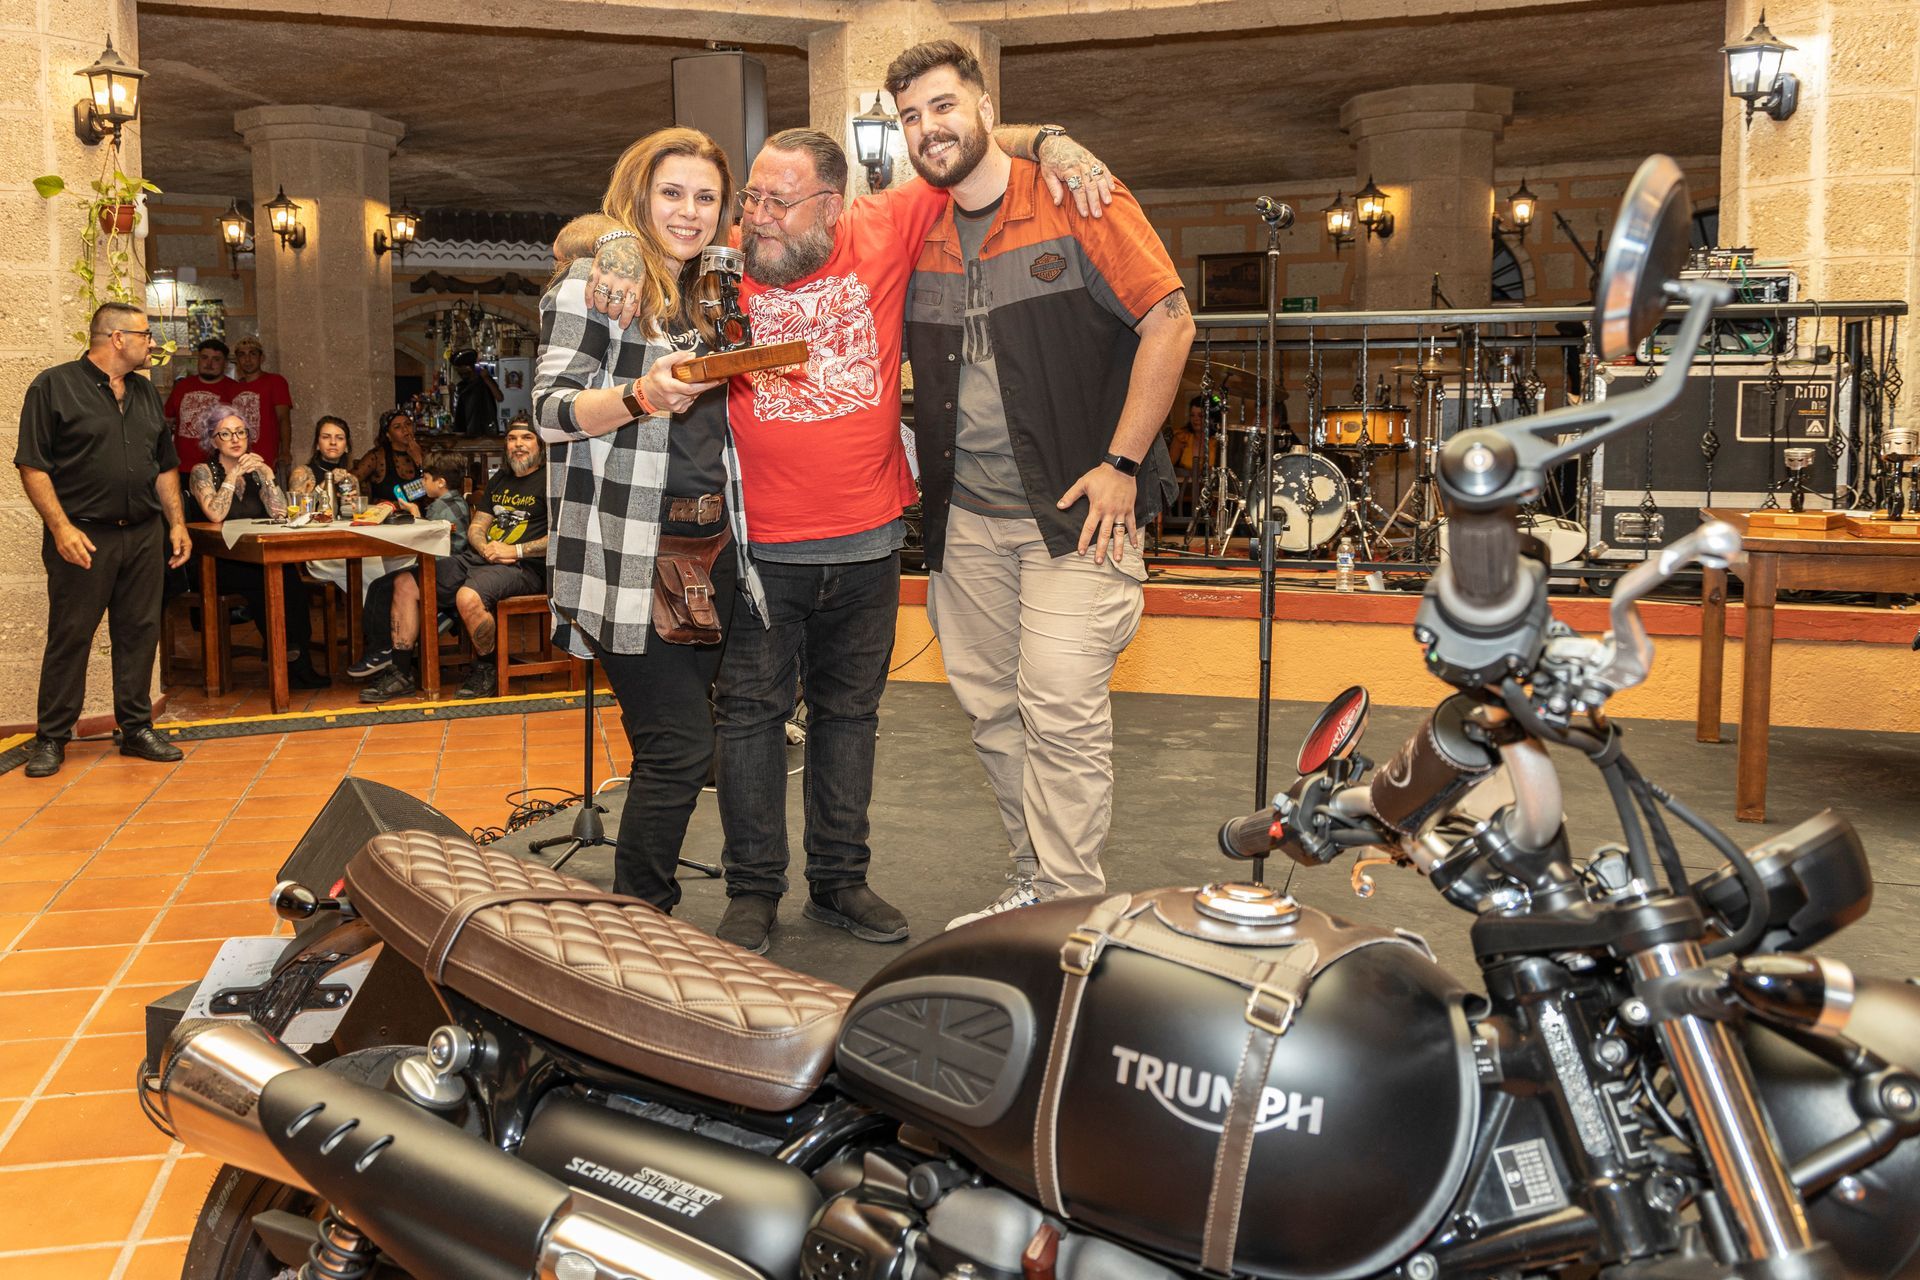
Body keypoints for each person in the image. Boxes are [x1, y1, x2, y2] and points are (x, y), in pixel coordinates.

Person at [585, 118, 1112, 955]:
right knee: (752, 720)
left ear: (833, 205)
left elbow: (962, 140)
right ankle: (755, 890)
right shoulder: (725, 256)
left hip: (868, 543)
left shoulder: (884, 224)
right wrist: (611, 242)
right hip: (758, 551)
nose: (753, 215)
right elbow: (628, 225)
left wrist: (1049, 140)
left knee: (850, 716)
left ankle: (839, 881)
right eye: (750, 195)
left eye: (776, 201)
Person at [889, 39, 1190, 926]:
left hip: (1077, 513)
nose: (927, 129)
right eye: (910, 117)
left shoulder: (1074, 196)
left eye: (943, 106)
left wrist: (1123, 464)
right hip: (967, 521)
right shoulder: (919, 225)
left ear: (983, 105)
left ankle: (1069, 909)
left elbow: (1170, 321)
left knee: (1058, 707)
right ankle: (1033, 881)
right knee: (991, 711)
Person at [532, 127, 771, 913]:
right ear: (638, 195)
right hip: (630, 552)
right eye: (672, 193)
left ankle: (644, 912)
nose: (690, 211)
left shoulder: (716, 289)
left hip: (712, 551)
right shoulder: (594, 286)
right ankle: (640, 918)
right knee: (677, 748)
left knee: (683, 747)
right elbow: (549, 410)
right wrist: (640, 395)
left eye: (706, 197)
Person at [14, 302, 192, 777]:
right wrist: (60, 527)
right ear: (116, 338)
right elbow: (32, 465)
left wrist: (175, 523)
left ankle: (135, 729)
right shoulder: (53, 386)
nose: (152, 342)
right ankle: (52, 737)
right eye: (145, 334)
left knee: (139, 633)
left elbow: (165, 465)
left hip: (142, 535)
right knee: (70, 638)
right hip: (82, 537)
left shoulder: (145, 393)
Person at [367, 423, 548, 702]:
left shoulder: (552, 481)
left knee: (467, 597)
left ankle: (487, 668)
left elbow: (565, 536)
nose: (518, 444)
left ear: (541, 444)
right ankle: (401, 672)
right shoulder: (501, 478)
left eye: (527, 438)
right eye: (512, 438)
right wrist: (484, 546)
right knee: (405, 582)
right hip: (481, 558)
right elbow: (478, 526)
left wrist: (516, 551)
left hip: (524, 567)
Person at [186, 407, 328, 690]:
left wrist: (267, 476)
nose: (235, 439)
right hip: (218, 561)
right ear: (213, 441)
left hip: (254, 555)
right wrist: (231, 477)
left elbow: (280, 514)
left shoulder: (255, 473)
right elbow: (215, 514)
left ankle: (295, 660)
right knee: (268, 581)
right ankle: (286, 663)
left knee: (290, 579)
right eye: (225, 434)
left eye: (240, 432)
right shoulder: (202, 472)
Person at [354, 452, 471, 692]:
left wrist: (416, 516)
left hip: (443, 570)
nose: (423, 483)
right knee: (380, 585)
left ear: (440, 482)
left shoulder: (447, 507)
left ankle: (383, 649)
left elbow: (438, 542)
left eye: (425, 478)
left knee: (383, 587)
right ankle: (381, 648)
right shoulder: (445, 504)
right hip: (438, 565)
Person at [162, 337, 239, 474]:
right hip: (182, 467)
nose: (209, 363)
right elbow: (167, 421)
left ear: (225, 363)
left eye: (216, 359)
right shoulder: (183, 386)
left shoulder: (235, 390)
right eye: (204, 357)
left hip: (220, 469)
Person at [229, 335, 292, 472]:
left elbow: (283, 419)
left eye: (252, 354)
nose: (247, 359)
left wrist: (285, 451)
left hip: (266, 461)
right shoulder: (232, 388)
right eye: (242, 355)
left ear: (261, 358)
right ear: (237, 360)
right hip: (237, 462)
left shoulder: (275, 381)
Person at [353, 408, 426, 504]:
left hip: (419, 516)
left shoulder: (424, 452)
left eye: (408, 424)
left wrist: (420, 461)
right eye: (397, 427)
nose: (405, 430)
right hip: (387, 515)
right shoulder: (377, 456)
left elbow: (435, 487)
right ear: (388, 434)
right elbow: (350, 480)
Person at [452, 349, 503, 438]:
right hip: (466, 433)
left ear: (469, 367)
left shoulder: (484, 381)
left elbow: (499, 397)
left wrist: (486, 378)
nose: (459, 373)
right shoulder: (461, 386)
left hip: (487, 432)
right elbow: (455, 412)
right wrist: (451, 393)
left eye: (461, 369)